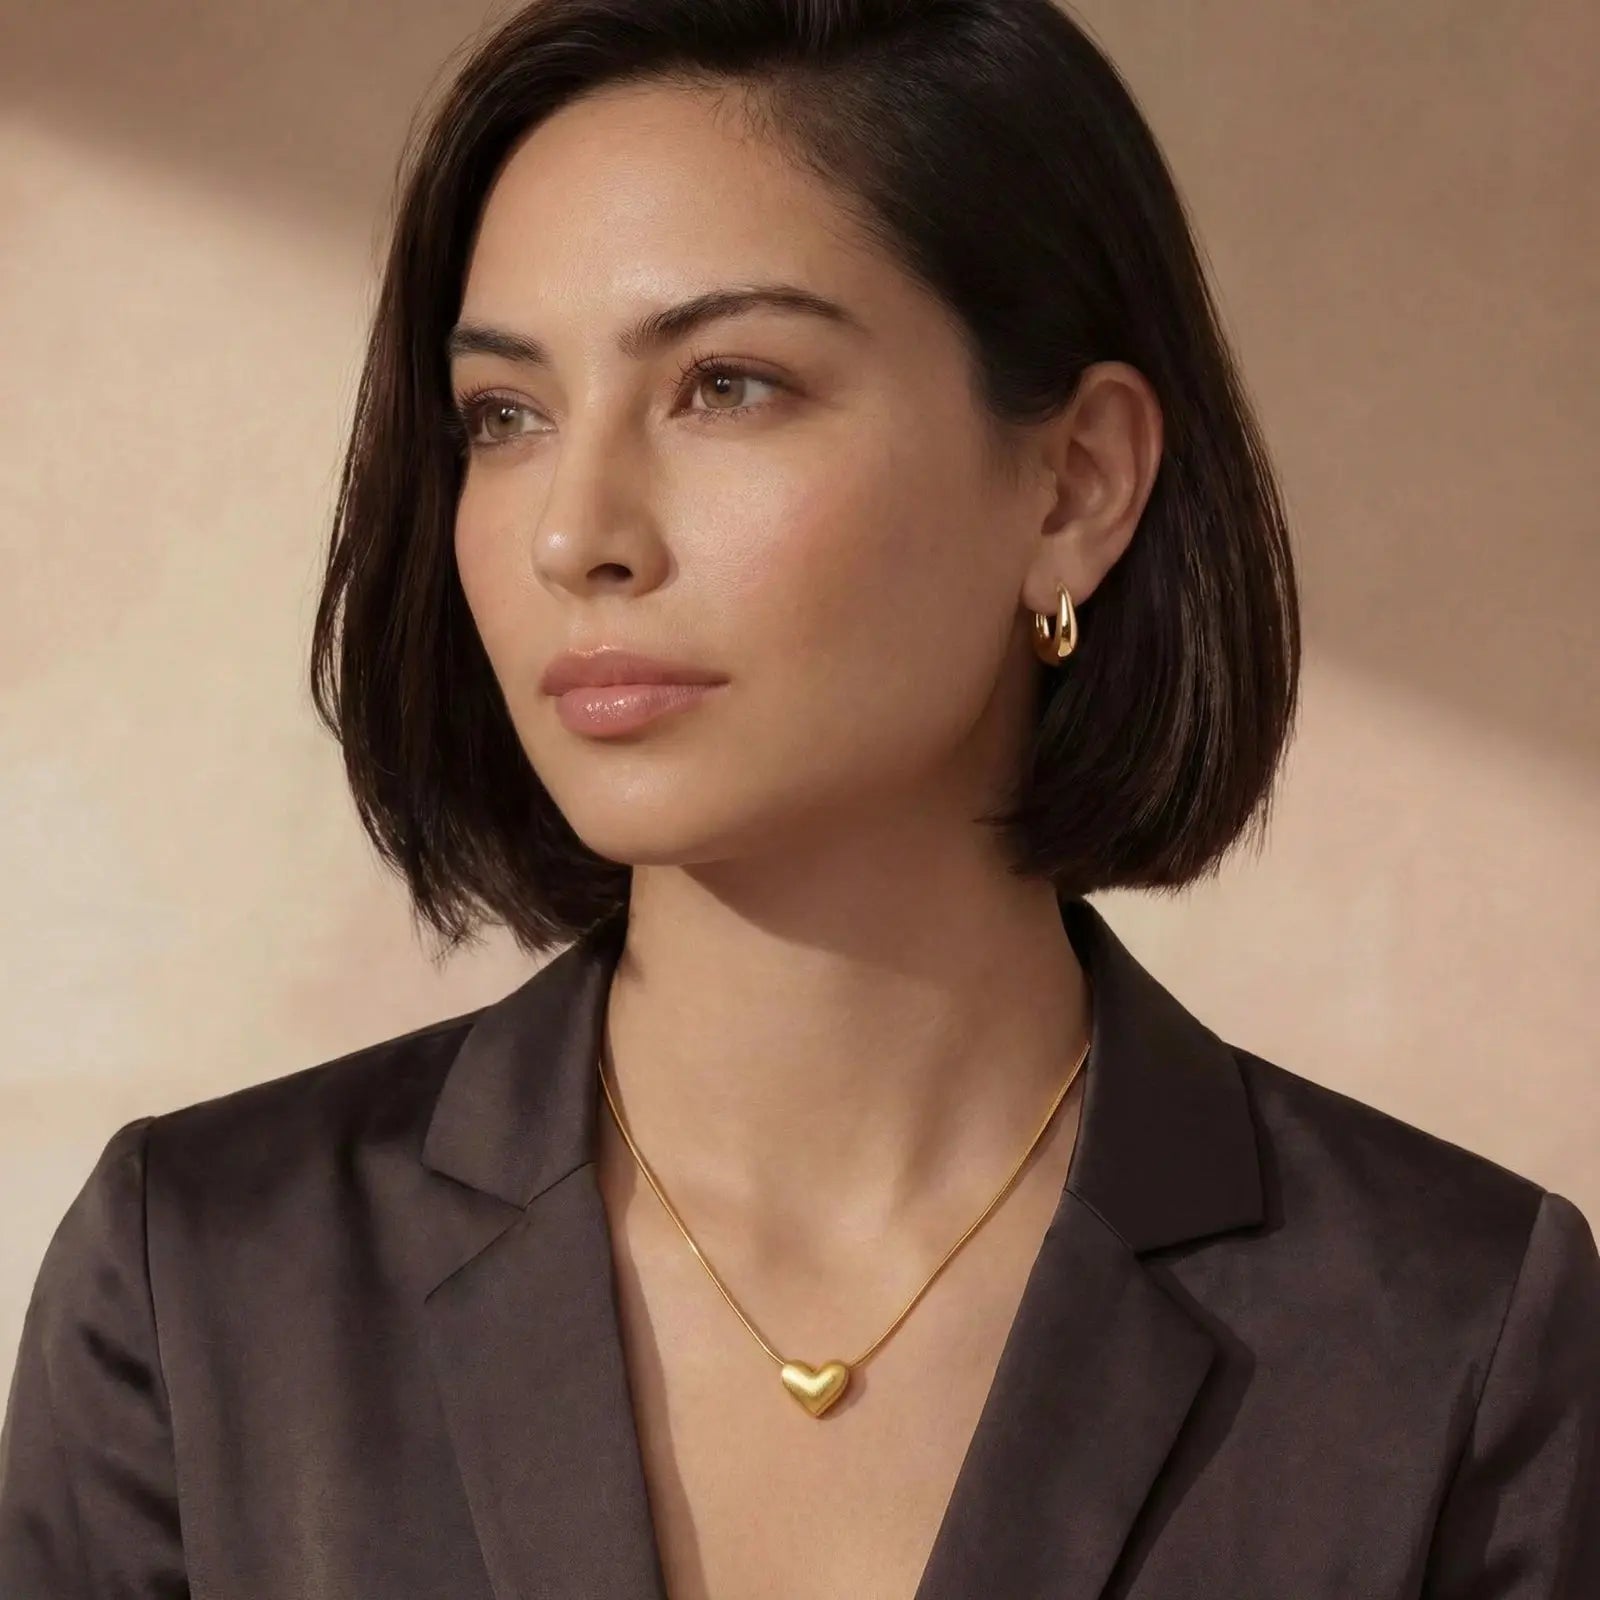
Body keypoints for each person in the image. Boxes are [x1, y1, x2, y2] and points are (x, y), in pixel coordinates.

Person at [3, 0, 1596, 1594]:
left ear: (1076, 483)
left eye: (728, 385)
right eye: (507, 415)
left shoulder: (1450, 1341)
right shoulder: (200, 1290)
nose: (576, 533)